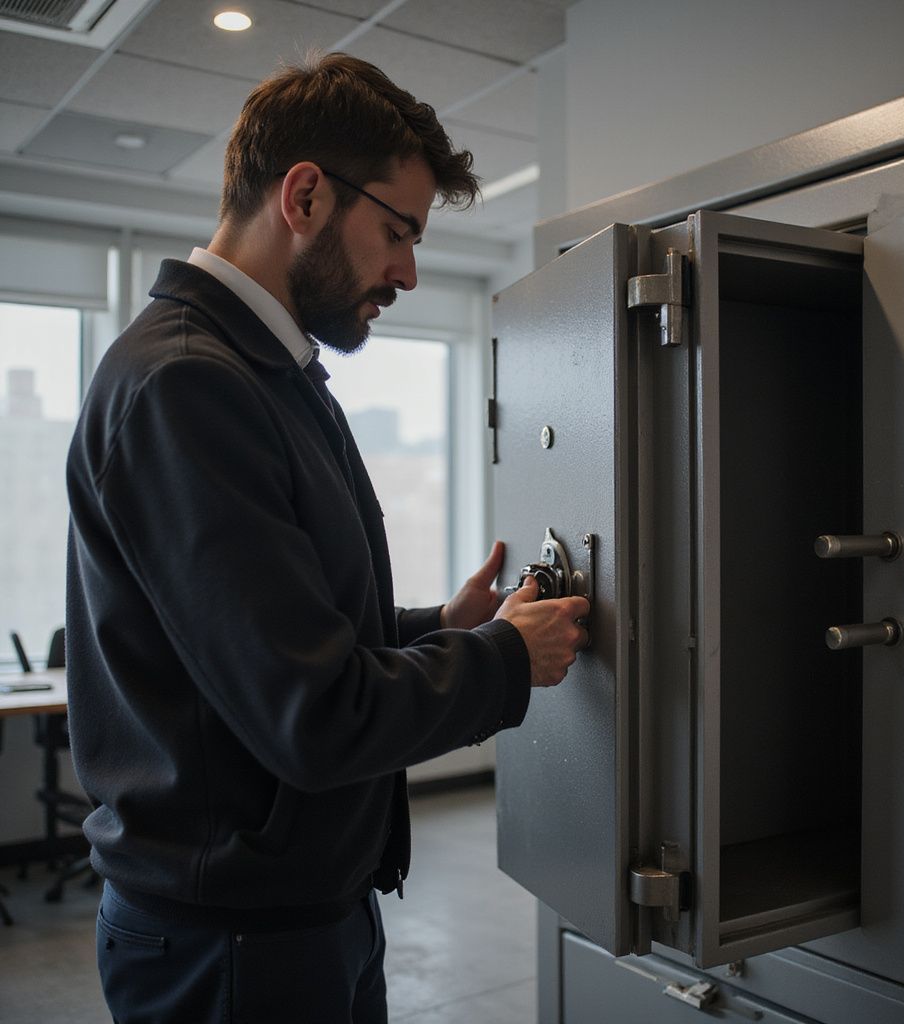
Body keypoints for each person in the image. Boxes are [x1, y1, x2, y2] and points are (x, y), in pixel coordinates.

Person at [64, 52, 588, 1023]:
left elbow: (282, 630)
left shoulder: (265, 370)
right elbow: (312, 711)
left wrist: (445, 622)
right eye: (396, 230)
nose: (408, 270)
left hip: (298, 915)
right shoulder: (188, 385)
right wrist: (504, 660)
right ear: (303, 194)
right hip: (230, 946)